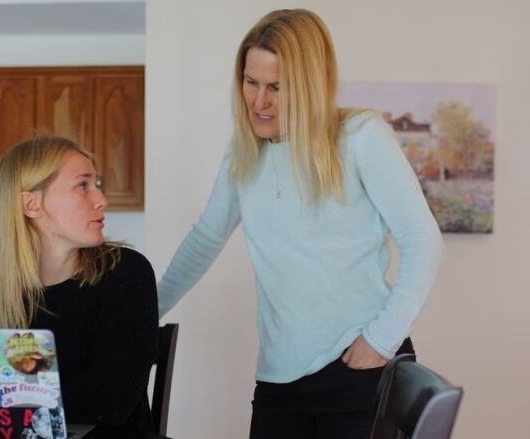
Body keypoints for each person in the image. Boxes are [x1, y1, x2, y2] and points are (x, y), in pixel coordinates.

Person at [157, 9, 443, 438]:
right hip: (279, 377)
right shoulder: (243, 154)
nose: (259, 101)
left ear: (309, 85)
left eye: (276, 87)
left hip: (359, 368)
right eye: (251, 82)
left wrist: (381, 340)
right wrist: (145, 313)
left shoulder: (359, 137)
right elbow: (205, 239)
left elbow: (423, 242)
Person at [0, 135, 159, 432]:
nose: (102, 200)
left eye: (95, 185)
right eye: (82, 186)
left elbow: (110, 402)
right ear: (31, 204)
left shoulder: (126, 274)